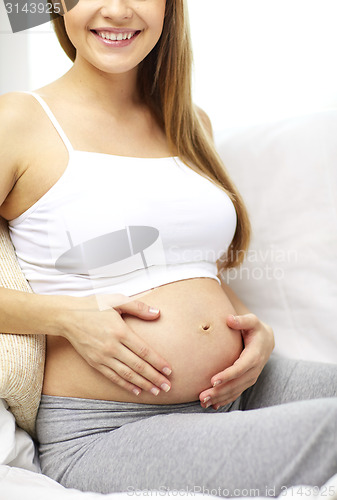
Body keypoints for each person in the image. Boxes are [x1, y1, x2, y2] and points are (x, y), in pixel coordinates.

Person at [0, 0, 336, 495]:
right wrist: (67, 318)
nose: (116, 10)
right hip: (110, 429)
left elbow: (196, 268)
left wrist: (257, 334)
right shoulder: (19, 119)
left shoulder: (190, 122)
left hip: (242, 388)